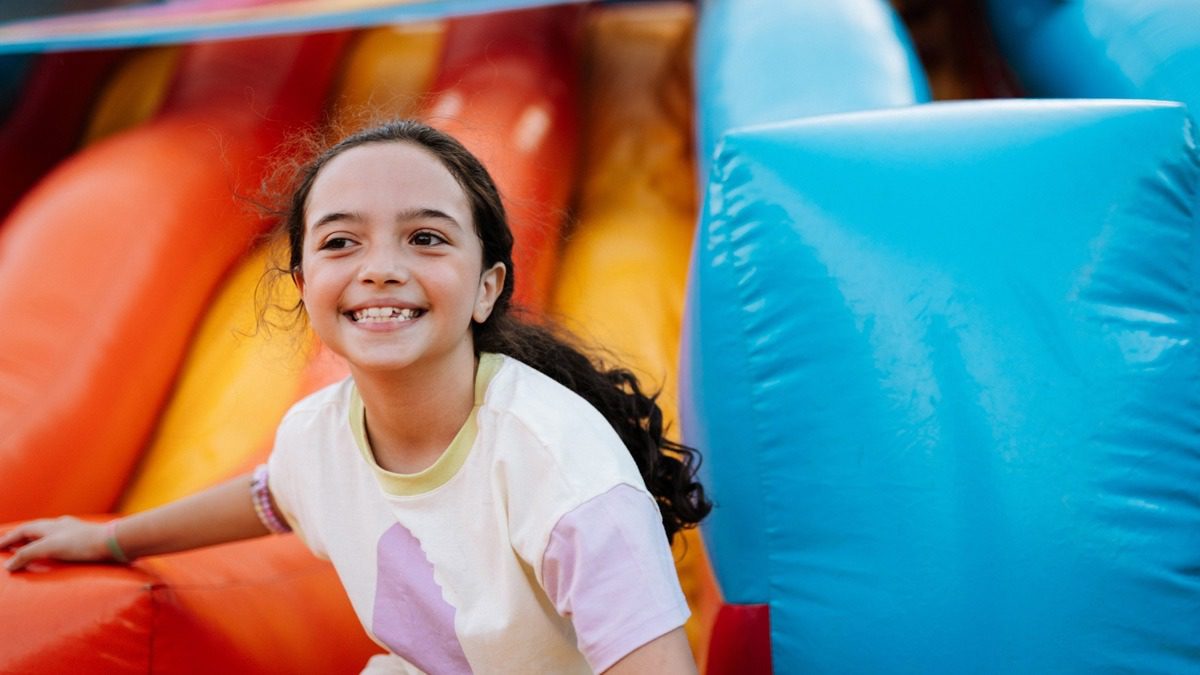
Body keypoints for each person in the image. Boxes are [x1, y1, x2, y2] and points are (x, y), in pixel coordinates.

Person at [0, 120, 711, 674]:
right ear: (304, 285)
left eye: (425, 237)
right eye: (341, 242)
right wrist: (111, 538)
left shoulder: (558, 468)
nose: (381, 269)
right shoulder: (321, 434)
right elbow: (270, 495)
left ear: (486, 288)